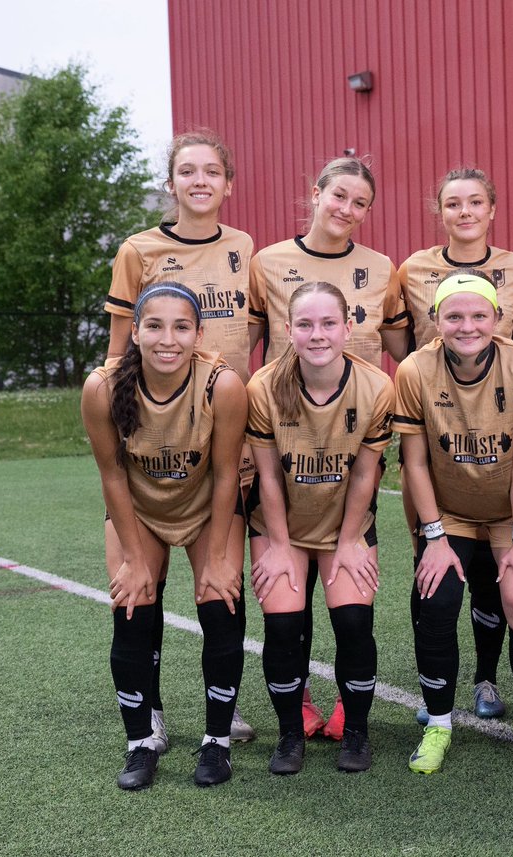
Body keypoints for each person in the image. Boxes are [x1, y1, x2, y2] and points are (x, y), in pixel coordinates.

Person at [103, 130, 257, 747]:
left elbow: (262, 337)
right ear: (171, 183)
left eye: (212, 171)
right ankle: (153, 711)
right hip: (154, 437)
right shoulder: (137, 250)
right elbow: (119, 356)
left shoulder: (245, 247)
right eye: (187, 171)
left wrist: (253, 430)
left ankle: (225, 710)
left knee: (221, 580)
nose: (199, 181)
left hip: (222, 428)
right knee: (140, 586)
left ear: (228, 183)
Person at [248, 156, 408, 739]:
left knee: (348, 603)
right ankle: (301, 704)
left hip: (351, 440)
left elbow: (402, 343)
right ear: (315, 193)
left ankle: (350, 707)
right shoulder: (268, 261)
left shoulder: (380, 267)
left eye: (359, 202)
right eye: (338, 195)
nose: (346, 209)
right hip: (283, 440)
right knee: (289, 600)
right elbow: (248, 343)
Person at [82, 282, 247, 790]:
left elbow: (225, 476)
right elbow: (112, 476)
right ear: (135, 331)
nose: (167, 339)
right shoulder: (103, 387)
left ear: (198, 333)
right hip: (140, 510)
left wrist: (218, 556)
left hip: (205, 508)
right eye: (154, 325)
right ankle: (141, 742)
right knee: (132, 606)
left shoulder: (222, 384)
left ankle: (216, 742)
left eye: (181, 327)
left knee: (221, 601)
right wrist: (133, 559)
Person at [394, 271, 513, 774]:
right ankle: (439, 725)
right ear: (435, 320)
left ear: (498, 319)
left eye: (478, 315)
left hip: (511, 512)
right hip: (451, 512)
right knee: (437, 603)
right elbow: (414, 463)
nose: (467, 326)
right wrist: (433, 536)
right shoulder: (415, 370)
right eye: (454, 316)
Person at [396, 168, 513, 723]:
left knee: (495, 587)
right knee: (435, 577)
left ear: (493, 209)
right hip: (439, 438)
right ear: (440, 211)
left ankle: (485, 678)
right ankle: (437, 694)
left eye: (476, 201)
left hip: (499, 431)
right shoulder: (413, 271)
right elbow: (403, 344)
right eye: (454, 203)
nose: (466, 211)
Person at [245, 281, 393, 774]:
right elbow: (267, 475)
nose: (317, 334)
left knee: (352, 623)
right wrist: (281, 548)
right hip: (281, 522)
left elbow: (366, 474)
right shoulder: (264, 387)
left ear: (348, 327)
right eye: (305, 324)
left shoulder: (375, 387)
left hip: (343, 522)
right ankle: (290, 735)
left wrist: (351, 539)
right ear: (287, 330)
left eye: (329, 323)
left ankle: (356, 731)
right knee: (284, 624)